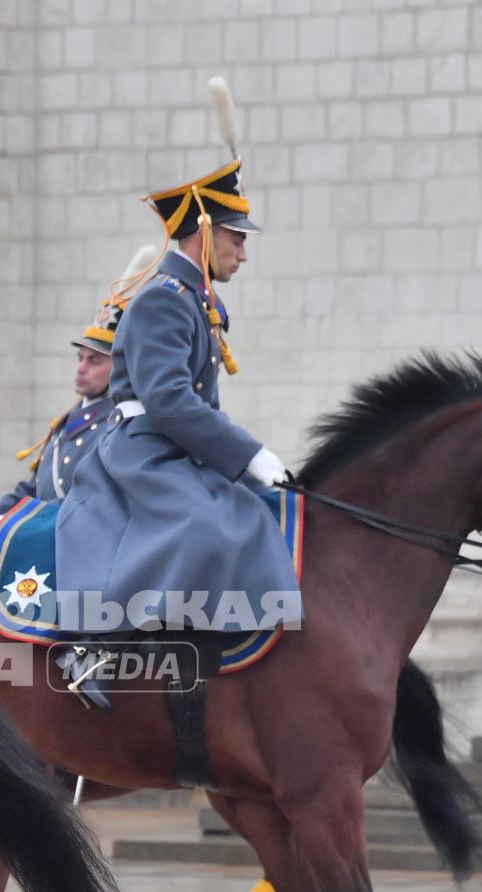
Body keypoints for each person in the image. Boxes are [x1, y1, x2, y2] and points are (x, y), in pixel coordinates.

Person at [51, 79, 299, 711]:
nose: (243, 254)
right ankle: (95, 644)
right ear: (206, 233)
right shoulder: (163, 298)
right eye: (237, 239)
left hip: (174, 446)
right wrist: (245, 454)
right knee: (199, 523)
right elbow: (167, 401)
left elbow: (199, 407)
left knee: (246, 509)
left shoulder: (195, 299)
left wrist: (240, 465)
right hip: (140, 447)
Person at [0, 247, 156, 541]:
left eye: (94, 361)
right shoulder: (67, 423)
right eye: (80, 358)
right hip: (47, 537)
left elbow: (91, 499)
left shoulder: (118, 425)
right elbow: (32, 491)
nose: (82, 368)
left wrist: (18, 524)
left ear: (119, 367)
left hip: (83, 545)